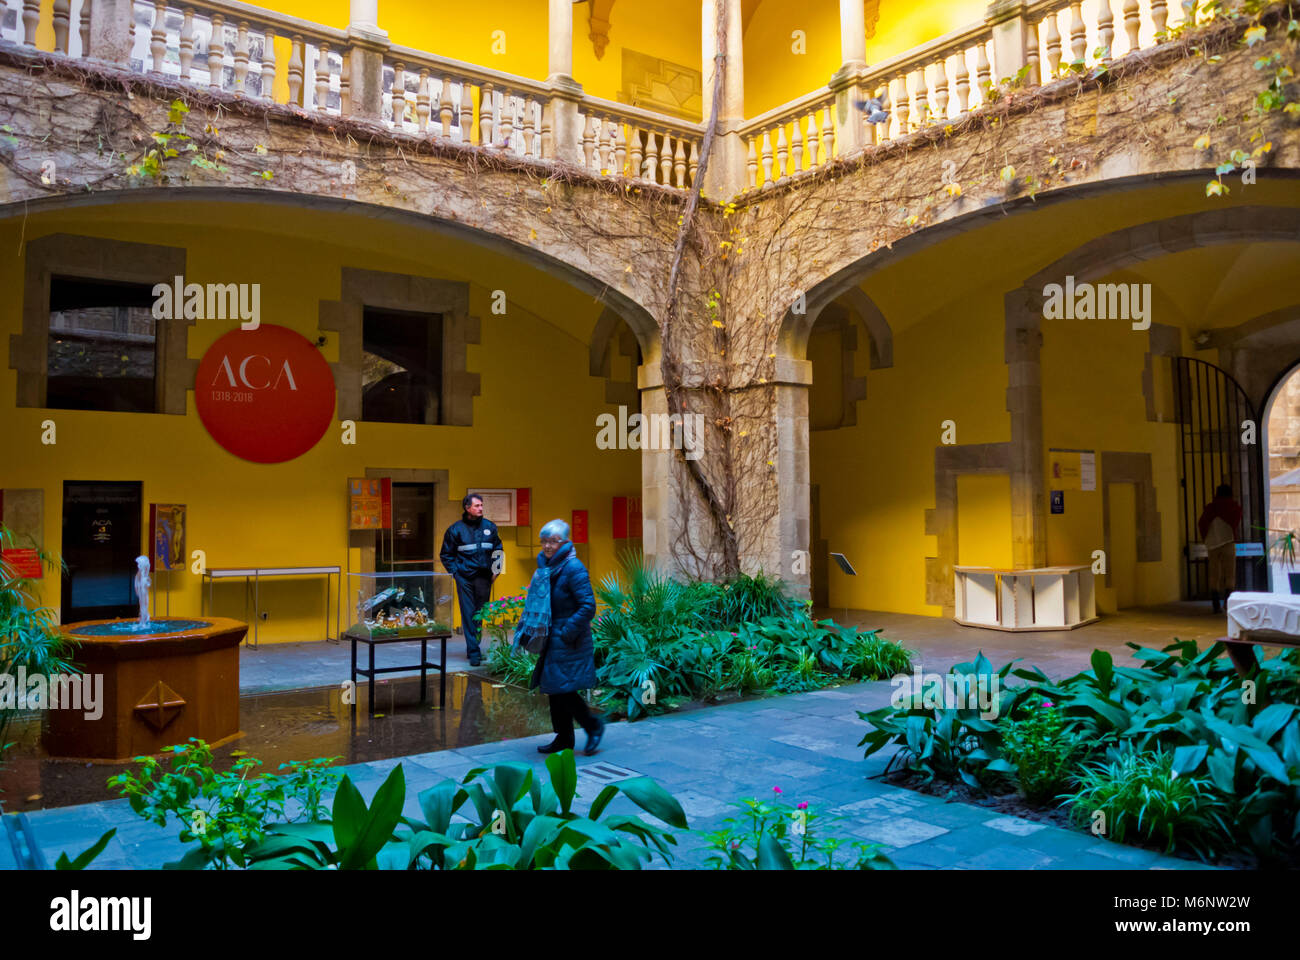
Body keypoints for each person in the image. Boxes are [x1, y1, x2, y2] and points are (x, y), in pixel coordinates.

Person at [516, 518, 605, 756]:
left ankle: (592, 726)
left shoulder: (573, 567)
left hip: (569, 639)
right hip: (552, 636)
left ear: (564, 542)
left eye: (552, 541)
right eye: (544, 541)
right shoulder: (546, 569)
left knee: (563, 689)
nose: (547, 546)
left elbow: (588, 605)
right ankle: (564, 738)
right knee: (555, 688)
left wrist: (566, 632)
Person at [439, 493, 503, 666]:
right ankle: (474, 652)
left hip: (484, 578)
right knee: (468, 614)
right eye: (476, 506)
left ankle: (473, 646)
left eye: (481, 505)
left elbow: (498, 549)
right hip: (465, 578)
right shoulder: (455, 529)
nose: (480, 508)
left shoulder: (490, 527)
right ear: (467, 508)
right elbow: (446, 555)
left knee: (479, 614)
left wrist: (496, 571)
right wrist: (456, 573)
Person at [1198, 483, 1242, 615]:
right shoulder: (1234, 507)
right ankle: (1228, 603)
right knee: (1230, 574)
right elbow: (1236, 522)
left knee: (1214, 574)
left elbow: (1202, 523)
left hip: (1212, 544)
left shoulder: (1210, 508)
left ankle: (1215, 604)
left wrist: (1206, 538)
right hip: (1228, 542)